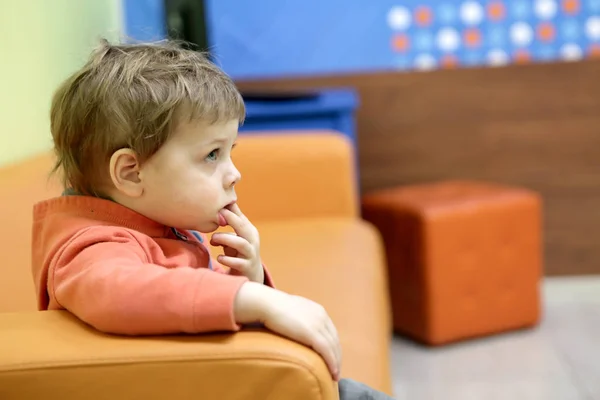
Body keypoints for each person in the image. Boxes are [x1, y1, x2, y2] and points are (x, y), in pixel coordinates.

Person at [31, 39, 395, 400]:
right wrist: (256, 299)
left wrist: (247, 275)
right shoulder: (90, 248)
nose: (233, 174)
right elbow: (122, 292)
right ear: (131, 173)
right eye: (211, 155)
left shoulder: (157, 223)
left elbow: (189, 302)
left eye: (229, 152)